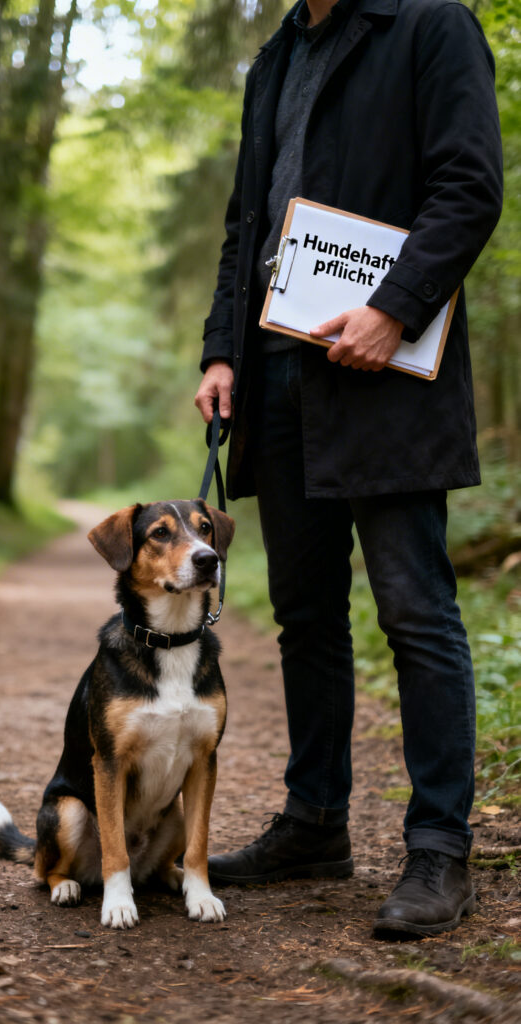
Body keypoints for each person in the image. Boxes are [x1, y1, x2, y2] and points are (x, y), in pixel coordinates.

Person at [194, 0, 503, 938]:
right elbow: (244, 227)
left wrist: (394, 307)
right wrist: (221, 353)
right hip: (277, 376)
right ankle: (314, 825)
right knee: (305, 617)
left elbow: (467, 186)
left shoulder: (430, 25)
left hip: (387, 381)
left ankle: (439, 847)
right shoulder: (273, 59)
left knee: (414, 609)